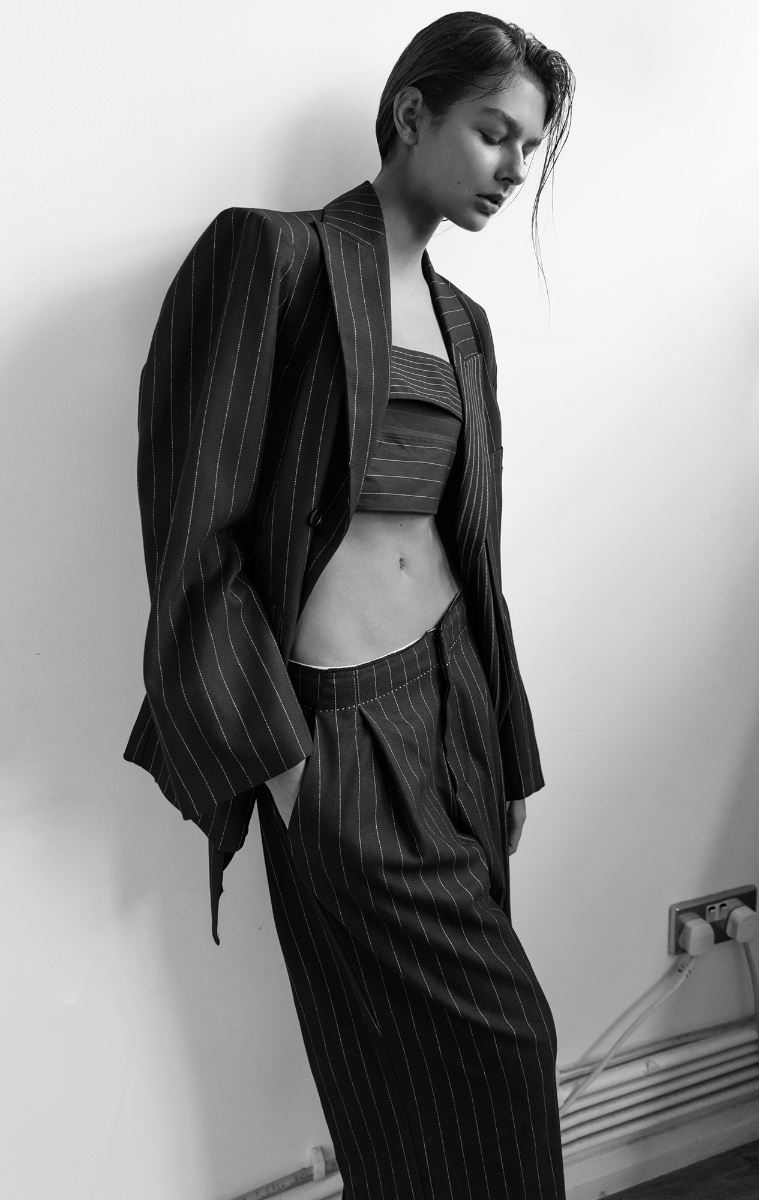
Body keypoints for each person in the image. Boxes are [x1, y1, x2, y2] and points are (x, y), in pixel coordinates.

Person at [123, 11, 574, 1198]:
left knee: (430, 1084)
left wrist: (507, 748)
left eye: (528, 150)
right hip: (336, 730)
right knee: (499, 1047)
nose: (512, 170)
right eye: (494, 132)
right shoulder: (268, 260)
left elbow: (471, 554)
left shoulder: (466, 324)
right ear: (413, 112)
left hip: (456, 709)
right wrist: (284, 768)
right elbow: (194, 535)